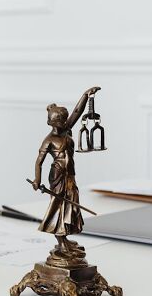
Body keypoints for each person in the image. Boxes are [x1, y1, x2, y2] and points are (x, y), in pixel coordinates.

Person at [30, 86, 100, 254]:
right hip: (58, 176)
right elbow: (39, 161)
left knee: (71, 205)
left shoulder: (66, 129)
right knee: (59, 206)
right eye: (62, 122)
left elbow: (77, 111)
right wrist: (37, 180)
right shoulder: (49, 140)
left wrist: (85, 95)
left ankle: (65, 237)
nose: (65, 124)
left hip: (70, 175)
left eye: (65, 121)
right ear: (52, 123)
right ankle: (60, 240)